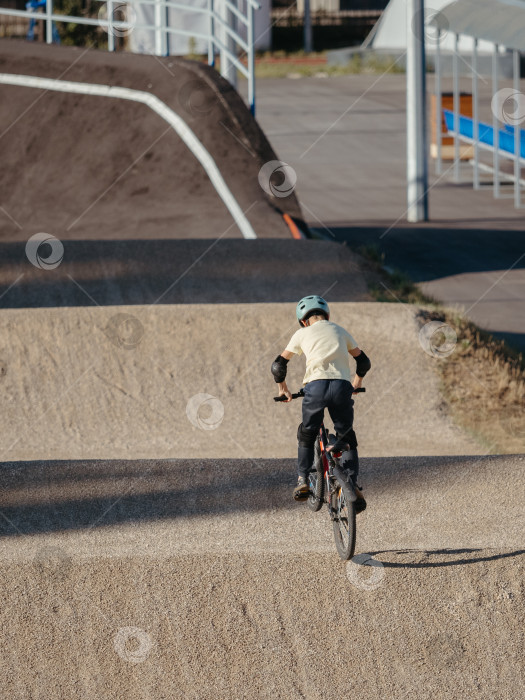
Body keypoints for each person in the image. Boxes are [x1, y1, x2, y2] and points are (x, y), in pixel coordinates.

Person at [271, 295, 371, 511]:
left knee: (307, 432)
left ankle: (303, 480)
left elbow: (278, 365)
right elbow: (363, 360)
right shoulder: (340, 330)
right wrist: (356, 383)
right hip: (342, 388)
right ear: (326, 315)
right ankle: (352, 486)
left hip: (315, 388)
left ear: (304, 321)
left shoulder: (302, 333)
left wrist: (283, 390)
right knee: (347, 437)